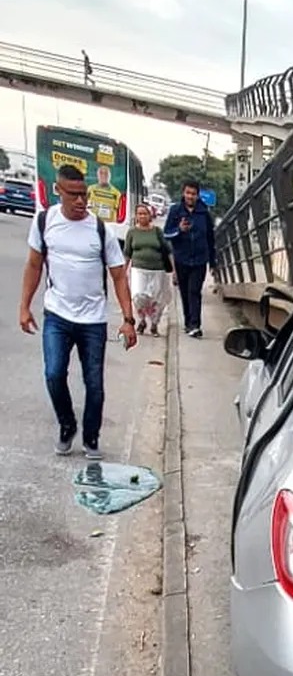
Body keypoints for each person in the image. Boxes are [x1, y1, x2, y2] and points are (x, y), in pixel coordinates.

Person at [19, 164, 137, 459]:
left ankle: (91, 437)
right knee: (54, 374)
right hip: (57, 315)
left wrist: (128, 319)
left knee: (94, 384)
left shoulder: (101, 230)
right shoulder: (45, 221)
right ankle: (66, 424)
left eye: (83, 194)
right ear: (58, 191)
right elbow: (34, 265)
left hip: (93, 321)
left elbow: (119, 275)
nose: (80, 201)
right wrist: (24, 306)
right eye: (73, 195)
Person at [163, 181, 215, 338]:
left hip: (199, 259)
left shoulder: (204, 213)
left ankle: (195, 325)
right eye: (188, 193)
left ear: (198, 195)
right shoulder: (176, 211)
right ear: (183, 193)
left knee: (195, 291)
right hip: (181, 259)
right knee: (185, 292)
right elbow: (166, 234)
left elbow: (210, 238)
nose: (190, 196)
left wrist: (213, 262)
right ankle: (188, 322)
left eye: (193, 194)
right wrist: (179, 230)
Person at [124, 202, 172, 335]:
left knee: (157, 299)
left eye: (145, 213)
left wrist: (174, 272)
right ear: (136, 216)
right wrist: (123, 272)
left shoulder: (157, 231)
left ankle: (154, 324)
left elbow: (168, 251)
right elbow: (127, 253)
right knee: (138, 296)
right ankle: (142, 320)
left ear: (150, 215)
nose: (142, 216)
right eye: (139, 214)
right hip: (139, 270)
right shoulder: (132, 232)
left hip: (158, 270)